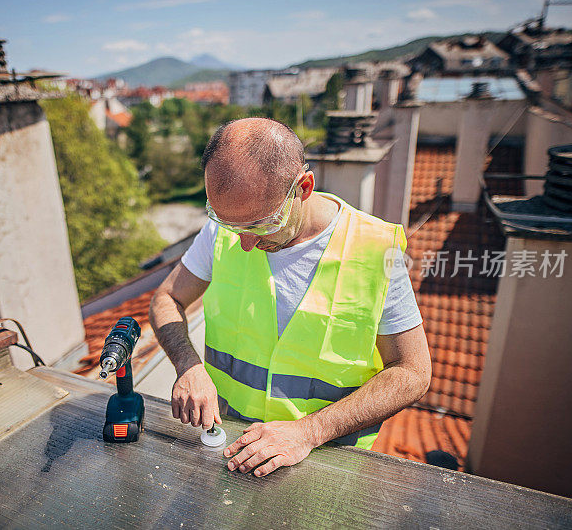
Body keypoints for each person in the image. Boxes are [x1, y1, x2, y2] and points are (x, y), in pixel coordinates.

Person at [148, 117, 431, 477]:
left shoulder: (376, 249)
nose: (245, 243)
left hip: (329, 467)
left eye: (261, 224)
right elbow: (166, 298)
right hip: (232, 454)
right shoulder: (224, 230)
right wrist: (188, 366)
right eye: (229, 224)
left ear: (304, 186)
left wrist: (309, 431)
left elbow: (413, 372)